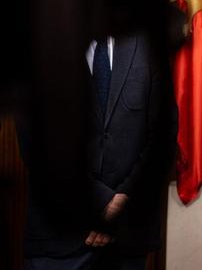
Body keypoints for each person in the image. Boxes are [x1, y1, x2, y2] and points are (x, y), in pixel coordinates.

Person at [16, 34, 178, 270]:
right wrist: (101, 203)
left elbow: (164, 134)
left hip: (127, 238)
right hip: (60, 240)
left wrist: (122, 204)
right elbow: (34, 143)